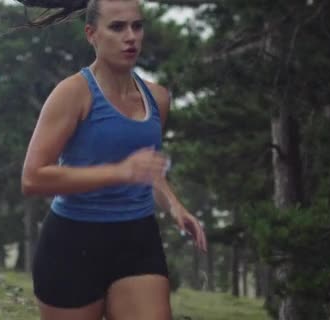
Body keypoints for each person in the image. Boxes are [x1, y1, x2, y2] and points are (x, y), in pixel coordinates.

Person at [21, 0, 207, 319]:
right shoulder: (72, 94)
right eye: (118, 27)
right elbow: (33, 178)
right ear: (91, 34)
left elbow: (146, 170)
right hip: (72, 243)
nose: (131, 36)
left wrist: (174, 205)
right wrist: (118, 172)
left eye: (137, 26)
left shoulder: (157, 99)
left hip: (137, 238)